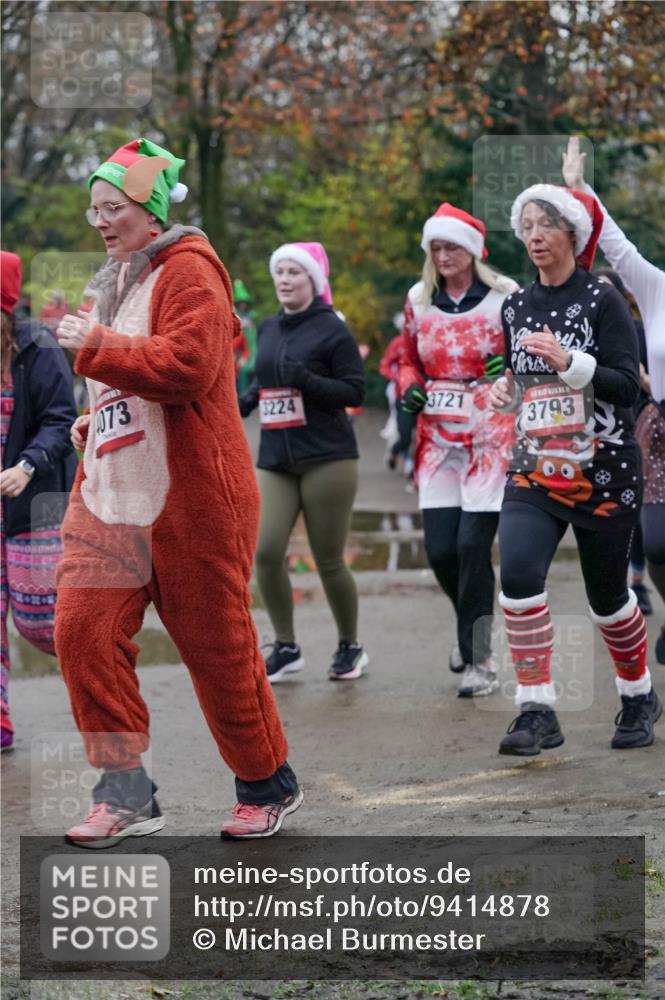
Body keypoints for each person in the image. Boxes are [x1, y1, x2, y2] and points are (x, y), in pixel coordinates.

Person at [53, 137, 301, 845]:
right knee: (81, 634)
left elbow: (190, 367)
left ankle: (266, 783)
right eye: (94, 209)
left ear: (151, 210)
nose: (101, 221)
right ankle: (125, 790)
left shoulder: (191, 271)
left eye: (115, 208)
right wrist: (91, 418)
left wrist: (96, 346)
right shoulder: (107, 282)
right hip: (108, 498)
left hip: (193, 501)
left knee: (217, 651)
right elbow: (121, 383)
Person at [490, 181, 661, 755]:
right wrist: (506, 393)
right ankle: (536, 709)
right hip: (534, 467)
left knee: (607, 597)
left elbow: (625, 388)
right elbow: (524, 384)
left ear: (572, 234)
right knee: (515, 577)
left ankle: (637, 695)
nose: (534, 236)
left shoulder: (602, 300)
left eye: (546, 225)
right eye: (527, 226)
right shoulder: (514, 306)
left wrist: (572, 362)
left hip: (604, 470)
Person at [397, 203, 518, 696]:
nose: (444, 255)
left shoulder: (506, 296)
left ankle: (480, 658)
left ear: (472, 250)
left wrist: (509, 368)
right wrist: (409, 387)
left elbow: (529, 355)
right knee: (443, 550)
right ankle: (468, 626)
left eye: (452, 246)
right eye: (436, 248)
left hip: (490, 431)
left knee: (473, 546)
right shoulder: (418, 299)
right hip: (438, 437)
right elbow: (407, 361)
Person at [238, 242, 367, 682]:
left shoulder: (332, 330)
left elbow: (354, 390)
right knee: (266, 551)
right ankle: (287, 646)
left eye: (295, 272)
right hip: (275, 457)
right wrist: (248, 399)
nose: (285, 280)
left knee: (328, 559)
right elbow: (264, 375)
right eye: (280, 272)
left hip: (327, 457)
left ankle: (351, 646)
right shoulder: (270, 327)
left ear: (313, 280)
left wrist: (307, 381)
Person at [563, 136, 665, 664]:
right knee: (657, 543)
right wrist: (580, 192)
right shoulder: (655, 288)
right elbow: (617, 247)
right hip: (661, 428)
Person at [1, 251, 77, 752]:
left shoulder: (39, 347)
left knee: (42, 621)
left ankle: (107, 689)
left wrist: (26, 465)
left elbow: (61, 418)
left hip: (31, 499)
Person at [595, 268, 652, 616]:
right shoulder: (579, 335)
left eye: (607, 291)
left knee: (638, 507)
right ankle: (615, 584)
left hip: (639, 427)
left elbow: (648, 385)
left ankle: (637, 580)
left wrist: (643, 381)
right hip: (593, 433)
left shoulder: (640, 331)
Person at [379, 328, 416, 478]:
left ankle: (414, 466)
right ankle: (400, 455)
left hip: (429, 394)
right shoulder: (398, 343)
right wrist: (398, 377)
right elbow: (384, 366)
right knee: (405, 433)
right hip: (402, 394)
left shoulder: (429, 339)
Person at [234, 279, 258, 395]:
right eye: (241, 302)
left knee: (250, 369)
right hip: (236, 350)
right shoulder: (235, 315)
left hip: (248, 344)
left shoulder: (249, 315)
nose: (243, 305)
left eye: (245, 302)